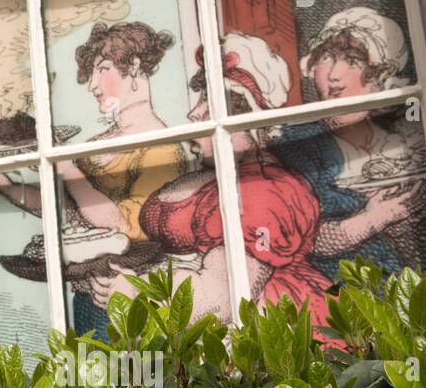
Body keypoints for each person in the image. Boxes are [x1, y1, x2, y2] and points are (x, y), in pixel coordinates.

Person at [83, 33, 336, 339]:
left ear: (242, 120)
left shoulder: (265, 192)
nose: (193, 114)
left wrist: (136, 293)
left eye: (207, 103)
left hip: (260, 335)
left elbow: (221, 299)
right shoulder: (214, 176)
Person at [0, 21, 187, 337]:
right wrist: (0, 181)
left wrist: (66, 167)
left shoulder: (162, 146)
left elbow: (121, 229)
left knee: (137, 385)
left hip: (133, 309)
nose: (93, 85)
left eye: (102, 69)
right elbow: (66, 212)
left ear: (133, 66)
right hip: (86, 301)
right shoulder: (95, 146)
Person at [269, 8, 426, 281]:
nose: (334, 76)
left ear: (382, 75)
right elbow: (299, 240)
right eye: (327, 58)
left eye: (353, 61)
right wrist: (376, 218)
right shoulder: (295, 148)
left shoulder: (409, 138)